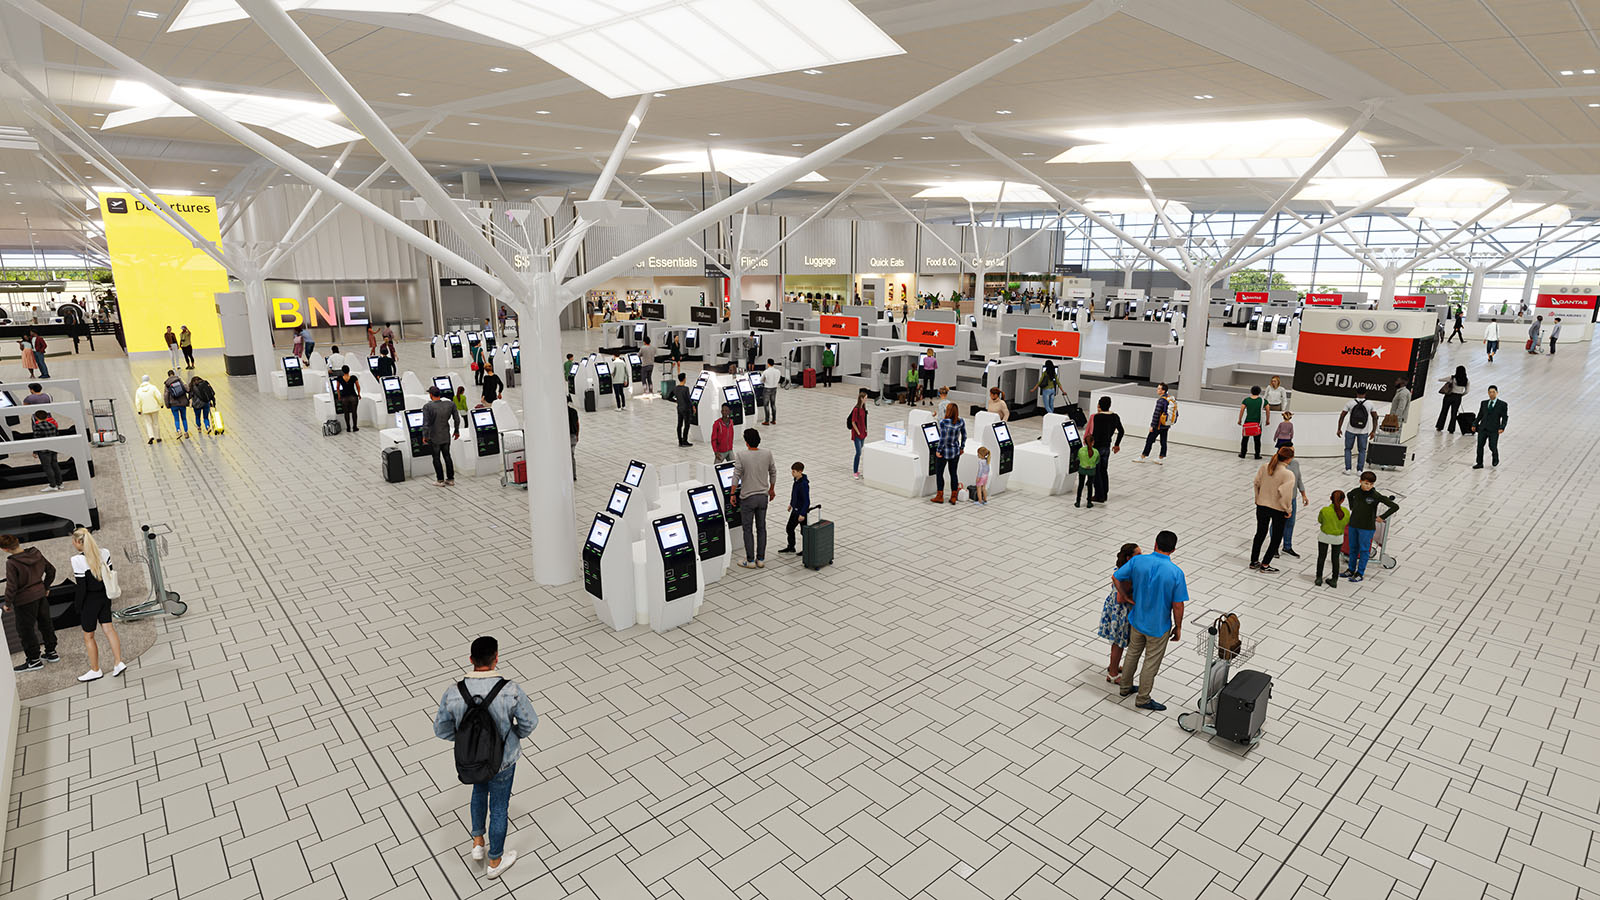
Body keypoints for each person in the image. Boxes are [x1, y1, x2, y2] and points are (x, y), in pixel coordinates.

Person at [432, 635, 537, 880]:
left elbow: (441, 729)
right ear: (496, 658)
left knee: (479, 793)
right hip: (503, 760)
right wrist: (513, 737)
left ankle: (478, 842)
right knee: (499, 807)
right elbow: (530, 722)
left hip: (472, 759)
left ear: (470, 660)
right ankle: (495, 861)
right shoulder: (510, 690)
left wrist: (465, 741)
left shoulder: (454, 692)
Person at [1113, 530, 1186, 711]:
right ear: (1174, 549)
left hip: (1137, 619)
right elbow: (1178, 605)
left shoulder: (1138, 561)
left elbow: (1116, 576)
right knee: (1150, 662)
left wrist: (1125, 596)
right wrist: (1178, 627)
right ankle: (1143, 699)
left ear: (1155, 544)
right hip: (1158, 626)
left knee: (1132, 654)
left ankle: (1125, 687)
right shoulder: (1176, 573)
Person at [69, 527, 125, 681]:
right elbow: (109, 574)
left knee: (89, 636)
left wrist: (77, 606)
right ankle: (118, 662)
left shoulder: (77, 560)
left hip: (89, 602)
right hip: (105, 597)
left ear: (77, 542)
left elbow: (82, 588)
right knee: (109, 629)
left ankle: (95, 669)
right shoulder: (104, 553)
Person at [3, 533, 58, 671]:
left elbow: (12, 586)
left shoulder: (12, 563)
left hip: (24, 601)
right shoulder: (36, 553)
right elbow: (51, 570)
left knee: (26, 630)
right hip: (40, 595)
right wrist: (46, 587)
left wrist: (7, 603)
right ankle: (51, 652)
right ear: (17, 542)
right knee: (46, 624)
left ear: (4, 549)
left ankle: (34, 661)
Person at [731, 428, 776, 568]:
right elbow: (773, 472)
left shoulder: (741, 455)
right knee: (761, 528)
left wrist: (733, 494)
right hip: (763, 497)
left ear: (746, 442)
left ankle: (750, 560)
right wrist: (771, 489)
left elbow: (736, 476)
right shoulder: (767, 454)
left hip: (747, 498)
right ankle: (761, 559)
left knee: (748, 529)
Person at [1344, 472, 1398, 582]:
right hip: (1354, 525)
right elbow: (1349, 495)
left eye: (1371, 484)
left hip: (1367, 528)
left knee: (1364, 550)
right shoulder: (1356, 492)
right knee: (1353, 548)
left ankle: (1360, 573)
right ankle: (1350, 569)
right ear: (1360, 481)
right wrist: (1352, 506)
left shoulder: (1375, 495)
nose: (1368, 486)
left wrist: (1382, 517)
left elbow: (1394, 506)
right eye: (1366, 483)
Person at [1096, 543, 1139, 682]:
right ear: (1128, 558)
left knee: (1117, 643)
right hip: (1121, 613)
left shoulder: (1121, 569)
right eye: (1138, 555)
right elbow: (1121, 598)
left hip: (1113, 608)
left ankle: (1112, 665)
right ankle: (1113, 674)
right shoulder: (1127, 575)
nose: (1141, 557)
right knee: (1118, 644)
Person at [1250, 447, 1297, 573]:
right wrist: (1288, 509)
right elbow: (1286, 494)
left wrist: (1257, 498)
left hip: (1262, 505)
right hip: (1277, 509)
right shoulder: (1288, 474)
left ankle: (1254, 561)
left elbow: (1256, 483)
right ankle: (1265, 564)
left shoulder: (1265, 467)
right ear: (1289, 459)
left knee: (1260, 533)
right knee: (1276, 538)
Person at [422, 386, 461, 486]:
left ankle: (440, 480)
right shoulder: (450, 404)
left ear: (431, 395)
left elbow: (426, 423)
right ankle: (450, 479)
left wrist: (425, 436)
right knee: (447, 456)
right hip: (445, 434)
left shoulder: (428, 407)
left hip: (434, 436)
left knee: (436, 458)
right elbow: (457, 419)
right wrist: (456, 431)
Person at [1088, 396, 1123, 503]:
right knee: (1104, 471)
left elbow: (1095, 434)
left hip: (1097, 447)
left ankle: (1099, 495)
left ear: (1099, 405)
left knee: (1096, 472)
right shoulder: (1115, 416)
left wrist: (1090, 448)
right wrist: (1117, 444)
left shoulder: (1097, 417)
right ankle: (1105, 494)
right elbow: (1121, 431)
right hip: (1107, 447)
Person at [931, 403, 966, 505]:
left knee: (939, 473)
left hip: (944, 452)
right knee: (953, 473)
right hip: (955, 452)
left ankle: (940, 496)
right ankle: (953, 496)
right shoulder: (961, 421)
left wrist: (938, 450)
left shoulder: (943, 422)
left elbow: (943, 439)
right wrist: (962, 447)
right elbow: (965, 435)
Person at [1279, 443, 1309, 559]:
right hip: (1281, 500)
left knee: (1290, 523)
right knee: (1277, 523)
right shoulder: (1279, 466)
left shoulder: (1295, 463)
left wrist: (1303, 495)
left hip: (1292, 499)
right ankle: (1274, 546)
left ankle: (1287, 546)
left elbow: (1299, 479)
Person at [1315, 490, 1350, 588]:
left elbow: (1320, 520)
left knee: (1321, 557)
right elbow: (1347, 523)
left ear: (1330, 498)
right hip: (1338, 538)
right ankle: (1334, 580)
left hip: (1324, 537)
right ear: (1343, 500)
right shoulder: (1346, 512)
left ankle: (1318, 578)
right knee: (1335, 559)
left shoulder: (1325, 510)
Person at [1336, 388, 1376, 473]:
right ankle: (1359, 471)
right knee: (1362, 451)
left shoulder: (1350, 403)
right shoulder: (1370, 404)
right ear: (1365, 393)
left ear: (1356, 393)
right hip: (1363, 431)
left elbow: (1342, 416)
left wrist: (1339, 429)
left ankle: (1348, 469)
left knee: (1348, 449)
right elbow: (1375, 417)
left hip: (1350, 430)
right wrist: (1373, 431)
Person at [1136, 383, 1175, 464]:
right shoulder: (1169, 399)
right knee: (1163, 441)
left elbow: (1156, 414)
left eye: (1159, 389)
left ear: (1163, 390)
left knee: (1149, 440)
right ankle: (1161, 458)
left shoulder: (1161, 400)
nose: (1157, 390)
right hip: (1166, 425)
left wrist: (1152, 426)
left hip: (1158, 426)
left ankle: (1143, 457)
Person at [1473, 385, 1508, 469]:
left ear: (1497, 393)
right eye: (1490, 392)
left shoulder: (1502, 404)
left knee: (1492, 446)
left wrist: (1502, 427)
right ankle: (1479, 463)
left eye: (1493, 392)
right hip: (1483, 428)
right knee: (1480, 446)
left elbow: (1504, 417)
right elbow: (1480, 415)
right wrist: (1474, 424)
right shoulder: (1484, 403)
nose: (1491, 394)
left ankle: (1495, 457)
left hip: (1494, 429)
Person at [30, 410, 65, 492]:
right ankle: (60, 483)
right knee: (55, 465)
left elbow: (37, 439)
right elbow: (57, 436)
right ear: (47, 416)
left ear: (36, 417)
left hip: (43, 451)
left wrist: (35, 451)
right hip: (53, 449)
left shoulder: (37, 426)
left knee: (48, 467)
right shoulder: (53, 425)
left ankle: (53, 485)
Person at [779, 462, 810, 553]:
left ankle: (807, 549)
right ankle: (791, 547)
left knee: (803, 531)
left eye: (794, 472)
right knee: (790, 528)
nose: (792, 473)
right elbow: (795, 495)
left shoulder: (803, 484)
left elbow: (806, 501)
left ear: (800, 472)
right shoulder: (796, 480)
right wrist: (791, 504)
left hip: (800, 512)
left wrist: (802, 514)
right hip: (795, 509)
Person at [1238, 385, 1268, 459]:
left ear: (1251, 391)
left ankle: (1243, 453)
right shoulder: (1263, 401)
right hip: (1258, 423)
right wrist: (1267, 420)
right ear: (1259, 392)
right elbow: (1267, 410)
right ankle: (1257, 455)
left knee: (1245, 439)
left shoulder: (1246, 400)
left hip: (1247, 422)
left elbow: (1242, 410)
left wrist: (1239, 419)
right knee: (1257, 440)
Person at [1436, 366, 1468, 432]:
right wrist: (1461, 394)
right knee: (1454, 413)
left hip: (1449, 396)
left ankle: (1440, 426)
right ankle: (1451, 429)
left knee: (1444, 411)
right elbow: (1467, 391)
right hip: (1458, 397)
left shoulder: (1452, 378)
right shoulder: (1466, 380)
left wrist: (1439, 379)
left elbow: (1441, 379)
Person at [134, 374, 164, 444]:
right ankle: (158, 437)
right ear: (148, 380)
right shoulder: (153, 388)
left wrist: (139, 410)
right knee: (155, 423)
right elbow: (159, 396)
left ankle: (151, 436)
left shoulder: (139, 390)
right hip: (154, 408)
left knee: (148, 423)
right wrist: (161, 404)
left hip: (145, 409)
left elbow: (137, 401)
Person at [164, 370, 191, 439]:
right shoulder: (179, 380)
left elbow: (166, 395)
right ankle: (186, 432)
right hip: (182, 403)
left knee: (176, 419)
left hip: (173, 404)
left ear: (168, 375)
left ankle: (178, 431)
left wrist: (167, 405)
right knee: (184, 418)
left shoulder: (167, 384)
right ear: (174, 374)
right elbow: (187, 389)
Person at [847, 391, 867, 479]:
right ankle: (855, 471)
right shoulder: (856, 409)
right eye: (865, 398)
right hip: (857, 434)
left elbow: (864, 420)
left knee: (860, 451)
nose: (866, 399)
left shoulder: (863, 408)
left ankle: (857, 470)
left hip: (863, 433)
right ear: (861, 399)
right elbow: (853, 422)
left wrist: (865, 429)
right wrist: (858, 431)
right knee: (858, 452)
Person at [1075, 441, 1100, 509]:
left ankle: (1078, 502)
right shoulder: (1096, 451)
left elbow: (1078, 458)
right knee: (1090, 486)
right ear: (1093, 443)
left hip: (1082, 469)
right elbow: (1097, 461)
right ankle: (1089, 502)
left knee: (1080, 485)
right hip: (1091, 470)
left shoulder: (1081, 450)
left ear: (1085, 442)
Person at [336, 365, 361, 432]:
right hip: (353, 396)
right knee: (354, 412)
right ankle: (355, 427)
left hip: (344, 397)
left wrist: (339, 395)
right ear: (349, 370)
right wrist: (358, 394)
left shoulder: (340, 378)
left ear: (342, 371)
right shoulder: (353, 377)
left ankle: (348, 427)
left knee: (346, 412)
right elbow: (358, 386)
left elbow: (337, 388)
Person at [672, 373, 693, 447]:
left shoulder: (676, 388)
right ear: (684, 379)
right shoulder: (686, 389)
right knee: (687, 425)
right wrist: (692, 407)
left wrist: (676, 401)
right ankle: (685, 440)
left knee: (679, 425)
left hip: (679, 408)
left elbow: (669, 397)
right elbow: (689, 400)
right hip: (686, 409)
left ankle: (680, 441)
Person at [761, 359, 781, 424]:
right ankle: (774, 420)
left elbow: (761, 380)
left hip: (767, 389)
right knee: (773, 404)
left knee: (766, 405)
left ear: (768, 364)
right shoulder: (778, 371)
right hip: (774, 389)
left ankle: (767, 420)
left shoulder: (766, 372)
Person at [567, 398, 579, 480]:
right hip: (574, 436)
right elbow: (578, 424)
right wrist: (577, 435)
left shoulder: (561, 413)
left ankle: (570, 475)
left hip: (567, 437)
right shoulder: (574, 411)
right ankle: (573, 475)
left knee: (568, 456)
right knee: (571, 456)